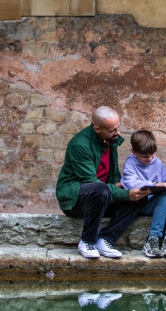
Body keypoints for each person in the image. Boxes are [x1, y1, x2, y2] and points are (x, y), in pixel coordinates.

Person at [56, 106, 150, 259]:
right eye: (113, 130)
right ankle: (87, 241)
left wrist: (123, 186)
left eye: (118, 128)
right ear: (97, 128)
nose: (117, 133)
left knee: (139, 197)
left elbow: (113, 173)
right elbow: (90, 182)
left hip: (101, 196)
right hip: (75, 200)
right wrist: (124, 193)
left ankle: (106, 240)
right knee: (101, 190)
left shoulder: (110, 139)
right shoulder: (79, 144)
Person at [121, 129, 166, 258]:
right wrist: (157, 184)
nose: (150, 159)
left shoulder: (157, 162)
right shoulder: (130, 163)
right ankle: (153, 239)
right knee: (165, 199)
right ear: (134, 152)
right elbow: (131, 184)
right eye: (145, 157)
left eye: (152, 155)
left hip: (159, 203)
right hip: (141, 203)